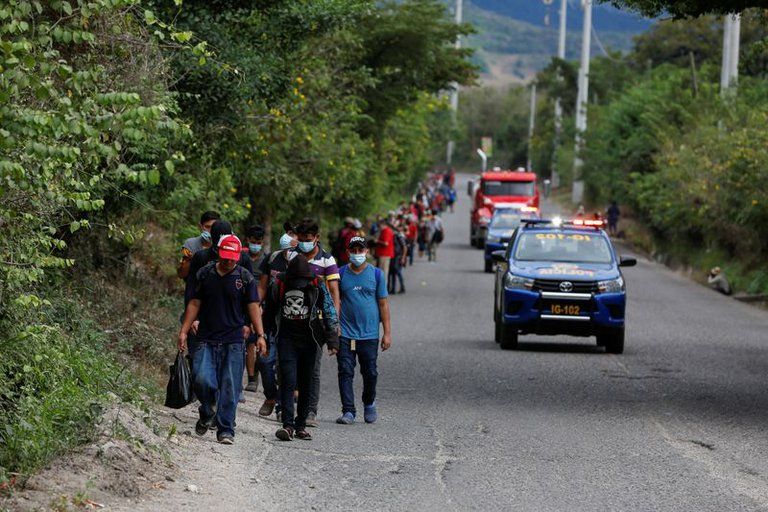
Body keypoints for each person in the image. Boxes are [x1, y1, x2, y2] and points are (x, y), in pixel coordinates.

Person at [177, 234, 267, 445]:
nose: (229, 261)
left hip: (234, 341)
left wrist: (260, 335)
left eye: (232, 258)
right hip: (206, 338)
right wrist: (184, 330)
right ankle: (207, 410)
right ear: (219, 253)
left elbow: (253, 307)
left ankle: (226, 429)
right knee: (201, 378)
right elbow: (194, 303)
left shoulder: (244, 277)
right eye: (225, 257)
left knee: (230, 385)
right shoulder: (205, 274)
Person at [268, 254, 339, 441]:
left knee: (306, 382)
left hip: (310, 340)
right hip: (286, 339)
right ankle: (288, 425)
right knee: (288, 380)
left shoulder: (317, 285)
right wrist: (264, 337)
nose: (299, 284)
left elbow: (329, 310)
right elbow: (269, 311)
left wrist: (333, 340)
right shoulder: (279, 284)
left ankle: (301, 425)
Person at [336, 236, 392, 425]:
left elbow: (383, 304)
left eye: (361, 250)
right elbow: (334, 301)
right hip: (345, 332)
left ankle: (369, 402)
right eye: (354, 250)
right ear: (348, 252)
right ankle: (348, 411)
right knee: (345, 371)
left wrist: (387, 333)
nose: (357, 254)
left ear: (367, 252)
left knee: (370, 372)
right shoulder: (340, 273)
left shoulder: (376, 275)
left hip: (369, 334)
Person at [291, 218, 341, 428]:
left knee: (313, 368)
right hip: (293, 319)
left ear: (316, 238)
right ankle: (288, 407)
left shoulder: (327, 261)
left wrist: (333, 325)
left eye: (308, 240)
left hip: (317, 324)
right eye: (301, 239)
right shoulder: (294, 257)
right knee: (290, 365)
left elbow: (333, 293)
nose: (304, 243)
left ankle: (311, 410)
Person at [243, 225, 268, 397]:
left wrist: (259, 306)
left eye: (258, 243)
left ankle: (258, 374)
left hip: (261, 305)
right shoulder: (241, 258)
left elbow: (265, 285)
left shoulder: (266, 260)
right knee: (248, 343)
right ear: (247, 241)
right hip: (243, 303)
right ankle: (251, 378)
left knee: (258, 341)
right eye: (253, 242)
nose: (256, 245)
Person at [177, 211, 219, 279]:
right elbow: (181, 274)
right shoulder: (190, 244)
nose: (211, 230)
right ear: (201, 226)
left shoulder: (223, 245)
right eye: (207, 227)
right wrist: (191, 259)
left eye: (214, 227)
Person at [388, 224, 407, 294]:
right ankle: (392, 289)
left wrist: (403, 258)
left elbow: (404, 247)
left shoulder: (398, 236)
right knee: (392, 273)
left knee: (398, 272)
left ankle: (402, 287)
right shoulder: (392, 236)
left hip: (398, 256)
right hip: (392, 256)